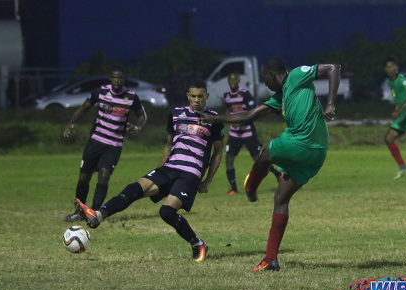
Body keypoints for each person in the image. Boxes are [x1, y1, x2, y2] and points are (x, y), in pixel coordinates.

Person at [200, 57, 340, 271]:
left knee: (266, 152)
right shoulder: (280, 98)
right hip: (318, 154)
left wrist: (330, 103)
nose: (265, 84)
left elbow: (333, 67)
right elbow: (249, 115)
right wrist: (215, 119)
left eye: (266, 79)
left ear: (274, 75)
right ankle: (271, 259)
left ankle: (251, 188)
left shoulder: (296, 75)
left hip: (301, 142)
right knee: (281, 198)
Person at [73, 79, 224, 262]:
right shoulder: (176, 114)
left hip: (190, 174)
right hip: (169, 168)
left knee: (166, 212)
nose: (197, 100)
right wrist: (161, 168)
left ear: (206, 97)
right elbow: (168, 144)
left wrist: (207, 180)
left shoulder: (214, 119)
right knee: (134, 188)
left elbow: (218, 152)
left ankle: (197, 244)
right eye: (193, 96)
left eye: (200, 96)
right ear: (188, 96)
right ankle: (98, 215)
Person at [63, 69, 147, 222]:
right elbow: (84, 107)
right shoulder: (100, 92)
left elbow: (142, 115)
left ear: (124, 79)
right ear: (110, 79)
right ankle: (79, 211)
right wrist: (71, 122)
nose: (117, 81)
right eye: (114, 78)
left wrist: (137, 127)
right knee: (83, 178)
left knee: (104, 176)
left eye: (120, 78)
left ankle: (94, 213)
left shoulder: (131, 96)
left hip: (113, 145)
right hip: (95, 142)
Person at [223, 73, 282, 195]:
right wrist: (227, 118)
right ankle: (233, 188)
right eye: (230, 80)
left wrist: (240, 122)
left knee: (259, 160)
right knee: (228, 159)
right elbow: (229, 111)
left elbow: (253, 113)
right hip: (234, 135)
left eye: (234, 79)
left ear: (238, 80)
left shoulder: (245, 94)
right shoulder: (227, 96)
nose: (232, 82)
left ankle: (278, 175)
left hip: (248, 132)